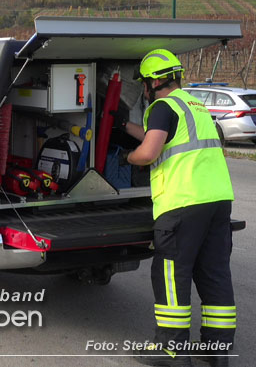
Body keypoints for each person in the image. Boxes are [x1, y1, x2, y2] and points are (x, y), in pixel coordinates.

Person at [117, 49, 235, 367]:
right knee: (214, 273)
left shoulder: (162, 106)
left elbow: (150, 152)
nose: (143, 88)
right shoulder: (193, 105)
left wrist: (128, 157)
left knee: (171, 272)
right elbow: (168, 138)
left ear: (154, 82)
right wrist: (128, 128)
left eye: (144, 82)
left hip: (183, 201)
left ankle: (171, 350)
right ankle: (216, 350)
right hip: (218, 200)